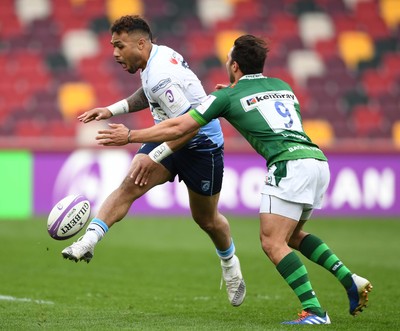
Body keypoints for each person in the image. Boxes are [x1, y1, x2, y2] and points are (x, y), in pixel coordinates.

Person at [98, 34, 373, 325]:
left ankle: (315, 311)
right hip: (316, 160)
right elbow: (257, 105)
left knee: (271, 242)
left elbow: (181, 124)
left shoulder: (226, 97)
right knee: (292, 236)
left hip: (287, 165)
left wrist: (130, 136)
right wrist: (228, 96)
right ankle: (350, 279)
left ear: (235, 66)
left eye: (229, 60)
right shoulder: (283, 86)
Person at [61, 15, 246, 308]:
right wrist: (112, 110)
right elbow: (148, 94)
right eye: (112, 46)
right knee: (128, 185)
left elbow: (188, 127)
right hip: (170, 133)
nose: (114, 53)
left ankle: (229, 263)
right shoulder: (154, 59)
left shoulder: (161, 73)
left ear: (140, 42)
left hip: (202, 146)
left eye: (119, 46)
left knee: (207, 220)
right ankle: (89, 241)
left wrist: (145, 147)